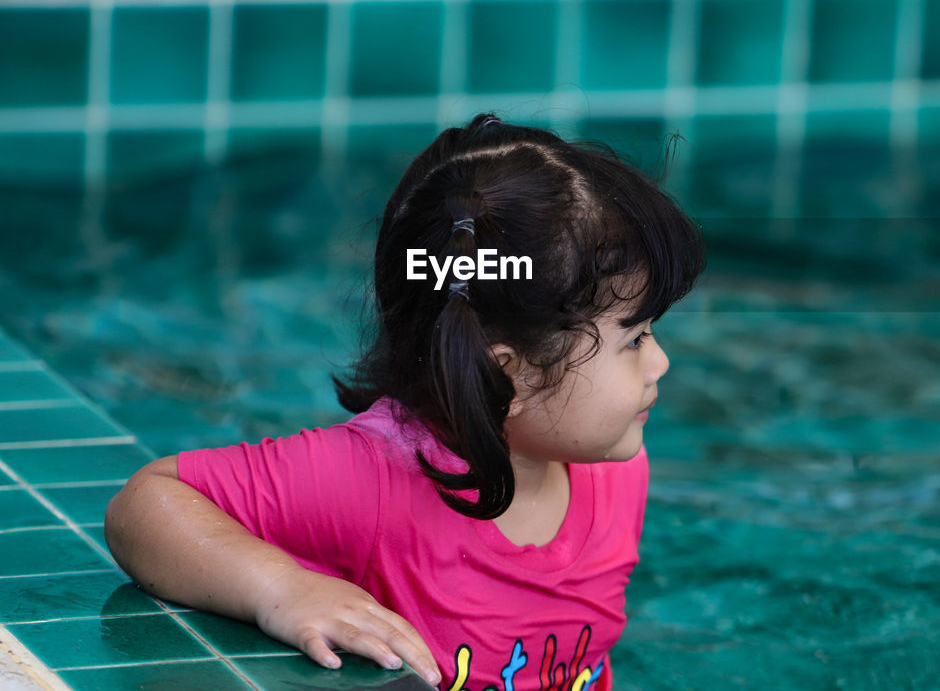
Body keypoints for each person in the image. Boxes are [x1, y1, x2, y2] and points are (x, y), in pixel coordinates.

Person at [104, 113, 706, 690]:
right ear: (508, 375)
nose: (661, 363)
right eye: (635, 338)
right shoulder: (376, 480)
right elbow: (146, 504)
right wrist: (282, 589)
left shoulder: (617, 468)